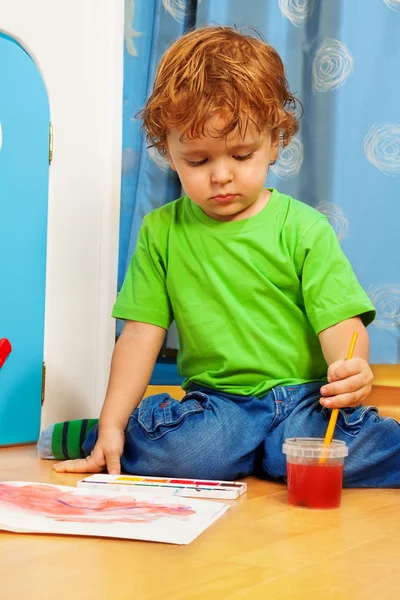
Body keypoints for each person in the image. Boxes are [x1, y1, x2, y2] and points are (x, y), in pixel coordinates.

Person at [38, 26, 400, 487]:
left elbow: (341, 324)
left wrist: (350, 370)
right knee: (190, 454)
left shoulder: (305, 228)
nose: (221, 177)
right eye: (198, 160)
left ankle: (235, 450)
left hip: (308, 400)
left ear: (275, 141)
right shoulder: (162, 231)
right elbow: (139, 336)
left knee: (331, 452)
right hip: (219, 406)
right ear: (166, 150)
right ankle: (109, 435)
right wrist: (112, 419)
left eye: (242, 154)